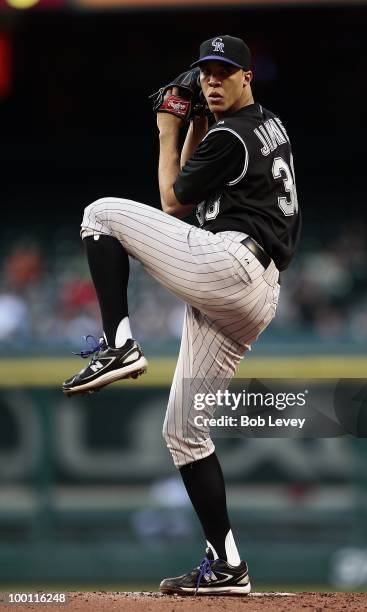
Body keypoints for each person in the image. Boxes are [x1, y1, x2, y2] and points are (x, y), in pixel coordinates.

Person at [62, 35, 301, 595]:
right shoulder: (258, 127)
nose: (213, 81)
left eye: (225, 72)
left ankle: (118, 345)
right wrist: (194, 116)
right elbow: (200, 185)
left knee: (100, 215)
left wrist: (169, 128)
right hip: (253, 291)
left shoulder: (234, 134)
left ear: (248, 78)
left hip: (233, 266)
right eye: (206, 73)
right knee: (186, 432)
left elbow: (173, 200)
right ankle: (228, 565)